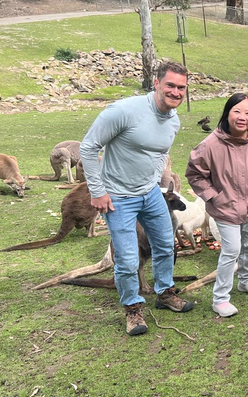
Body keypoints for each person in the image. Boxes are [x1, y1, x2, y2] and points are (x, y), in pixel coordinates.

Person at [80, 61, 195, 337]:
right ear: (156, 83)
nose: (176, 92)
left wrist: (154, 183)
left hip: (149, 193)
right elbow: (88, 147)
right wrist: (97, 191)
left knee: (166, 245)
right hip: (119, 197)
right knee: (129, 258)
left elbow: (158, 155)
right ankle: (133, 309)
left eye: (181, 87)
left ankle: (165, 293)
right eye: (170, 85)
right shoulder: (124, 111)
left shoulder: (173, 120)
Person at [186, 93, 248, 318]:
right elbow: (195, 174)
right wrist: (213, 196)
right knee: (231, 250)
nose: (242, 117)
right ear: (227, 113)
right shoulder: (210, 145)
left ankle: (245, 282)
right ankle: (220, 299)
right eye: (237, 111)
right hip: (224, 208)